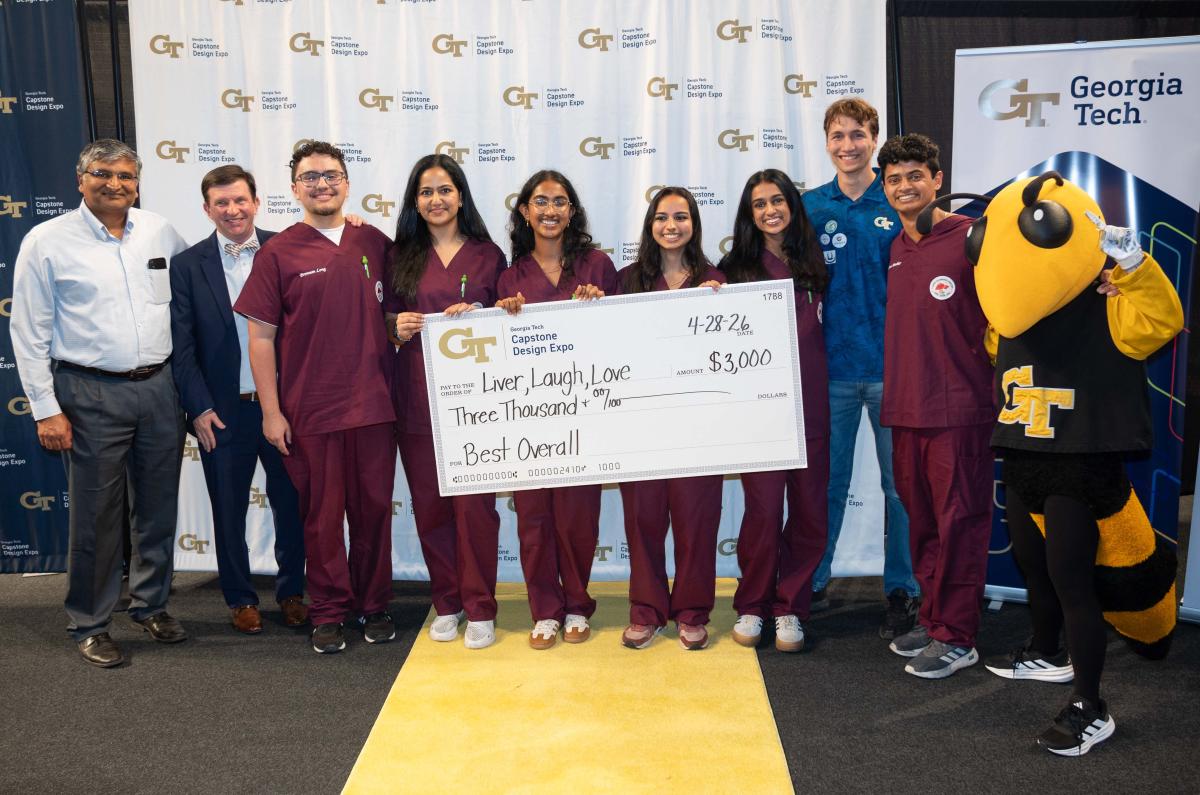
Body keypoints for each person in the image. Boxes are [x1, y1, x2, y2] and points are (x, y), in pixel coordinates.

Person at [11, 139, 188, 667]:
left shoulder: (161, 232)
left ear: (138, 183)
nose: (115, 184)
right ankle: (90, 621)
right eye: (103, 174)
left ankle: (151, 604)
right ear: (80, 179)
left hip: (160, 387)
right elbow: (28, 330)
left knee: (157, 508)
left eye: (126, 176)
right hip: (87, 393)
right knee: (96, 516)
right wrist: (46, 408)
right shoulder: (46, 241)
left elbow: (191, 297)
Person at [233, 141, 397, 655]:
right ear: (294, 188)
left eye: (331, 175)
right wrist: (271, 411)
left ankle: (373, 604)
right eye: (310, 177)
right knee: (322, 520)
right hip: (311, 411)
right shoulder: (278, 252)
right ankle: (328, 611)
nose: (321, 184)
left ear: (347, 183)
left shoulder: (376, 242)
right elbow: (260, 339)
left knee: (372, 512)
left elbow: (397, 316)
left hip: (374, 407)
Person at [169, 164, 307, 634]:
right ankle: (240, 598)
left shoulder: (287, 249)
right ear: (207, 209)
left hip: (283, 409)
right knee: (227, 509)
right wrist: (198, 407)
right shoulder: (188, 265)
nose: (233, 210)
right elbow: (182, 345)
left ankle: (292, 592)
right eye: (221, 203)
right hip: (222, 413)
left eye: (240, 200)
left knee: (291, 505)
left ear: (256, 201)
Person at [875, 134, 993, 678]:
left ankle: (958, 634)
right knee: (920, 522)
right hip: (905, 409)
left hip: (958, 410)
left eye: (915, 175)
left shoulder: (972, 238)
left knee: (959, 522)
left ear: (937, 179)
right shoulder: (896, 248)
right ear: (884, 187)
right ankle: (933, 616)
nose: (905, 186)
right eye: (894, 178)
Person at [801, 98, 919, 639]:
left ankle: (903, 588)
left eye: (858, 135)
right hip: (830, 372)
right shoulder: (808, 207)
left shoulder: (899, 198)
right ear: (826, 142)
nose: (847, 145)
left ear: (874, 138)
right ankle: (813, 578)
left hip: (895, 370)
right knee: (825, 483)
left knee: (902, 489)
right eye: (838, 136)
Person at [384, 154, 507, 650]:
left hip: (475, 406)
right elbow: (377, 316)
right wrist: (394, 326)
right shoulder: (399, 254)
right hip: (415, 401)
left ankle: (480, 607)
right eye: (426, 191)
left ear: (461, 195)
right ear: (415, 201)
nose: (436, 200)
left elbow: (510, 319)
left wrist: (481, 314)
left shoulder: (488, 254)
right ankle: (448, 602)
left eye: (445, 190)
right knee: (431, 509)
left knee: (476, 511)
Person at [495, 170, 617, 649]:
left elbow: (625, 337)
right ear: (524, 210)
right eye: (540, 201)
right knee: (534, 519)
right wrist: (500, 315)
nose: (550, 210)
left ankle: (577, 606)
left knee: (577, 519)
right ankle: (544, 610)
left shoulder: (598, 266)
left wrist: (602, 305)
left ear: (572, 211)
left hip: (586, 415)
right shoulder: (509, 276)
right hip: (528, 421)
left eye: (560, 201)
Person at [720, 171, 831, 653]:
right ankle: (753, 603)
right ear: (749, 213)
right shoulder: (734, 267)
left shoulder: (815, 260)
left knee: (808, 511)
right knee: (762, 513)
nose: (770, 210)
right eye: (759, 203)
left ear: (792, 205)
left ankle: (790, 609)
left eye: (778, 200)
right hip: (759, 413)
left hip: (811, 404)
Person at [616, 187, 725, 650]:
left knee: (696, 521)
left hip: (699, 428)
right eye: (662, 217)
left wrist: (721, 307)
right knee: (642, 520)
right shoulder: (627, 281)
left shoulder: (716, 280)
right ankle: (646, 610)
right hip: (640, 427)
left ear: (695, 225)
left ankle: (692, 610)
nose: (671, 226)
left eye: (681, 217)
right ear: (650, 226)